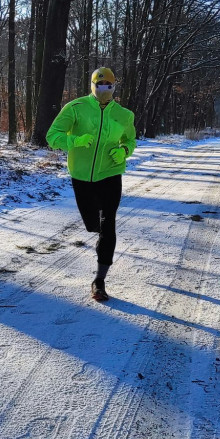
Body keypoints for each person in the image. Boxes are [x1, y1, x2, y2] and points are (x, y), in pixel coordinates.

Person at [46, 67, 136, 302]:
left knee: (108, 226)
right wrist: (73, 140)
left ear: (114, 87)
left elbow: (130, 140)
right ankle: (98, 236)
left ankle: (99, 279)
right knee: (92, 224)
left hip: (111, 174)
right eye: (100, 85)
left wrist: (124, 151)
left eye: (109, 86)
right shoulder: (75, 108)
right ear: (92, 85)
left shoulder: (124, 115)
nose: (104, 90)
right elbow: (52, 136)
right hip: (82, 176)